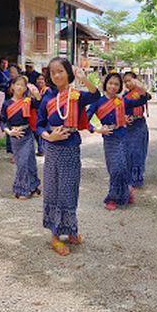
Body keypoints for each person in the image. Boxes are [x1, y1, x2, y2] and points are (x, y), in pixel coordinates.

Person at [36, 58, 100, 256]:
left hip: (71, 147)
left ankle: (71, 229)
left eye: (61, 71)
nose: (57, 75)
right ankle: (55, 235)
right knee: (54, 190)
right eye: (53, 72)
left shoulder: (76, 95)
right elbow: (39, 125)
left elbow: (95, 95)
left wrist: (84, 78)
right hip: (54, 150)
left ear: (68, 73)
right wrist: (50, 136)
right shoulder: (47, 98)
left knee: (70, 190)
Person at [88, 73, 148, 210]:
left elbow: (141, 100)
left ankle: (123, 194)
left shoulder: (121, 101)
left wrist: (141, 88)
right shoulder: (98, 102)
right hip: (109, 138)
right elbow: (85, 118)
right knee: (114, 169)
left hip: (123, 136)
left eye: (116, 84)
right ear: (105, 85)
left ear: (119, 87)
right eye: (110, 83)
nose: (113, 86)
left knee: (123, 167)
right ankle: (114, 197)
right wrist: (96, 129)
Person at [0, 75, 42, 199]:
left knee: (30, 162)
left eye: (22, 85)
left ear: (25, 88)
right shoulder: (7, 104)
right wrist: (9, 132)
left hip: (27, 134)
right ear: (12, 86)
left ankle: (33, 187)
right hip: (15, 137)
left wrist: (36, 94)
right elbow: (2, 121)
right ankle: (21, 189)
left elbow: (40, 105)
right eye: (17, 84)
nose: (19, 87)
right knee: (22, 163)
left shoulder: (28, 101)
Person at [123, 72, 151, 188]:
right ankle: (129, 176)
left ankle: (137, 178)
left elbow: (147, 97)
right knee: (128, 152)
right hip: (128, 127)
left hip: (139, 125)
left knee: (138, 152)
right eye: (125, 81)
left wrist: (140, 87)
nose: (127, 83)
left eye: (130, 80)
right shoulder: (125, 95)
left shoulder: (141, 93)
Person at [35, 74, 51, 157]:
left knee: (44, 130)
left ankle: (43, 149)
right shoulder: (38, 91)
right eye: (38, 79)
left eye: (42, 79)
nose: (40, 81)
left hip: (46, 114)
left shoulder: (48, 91)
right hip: (39, 114)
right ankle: (41, 149)